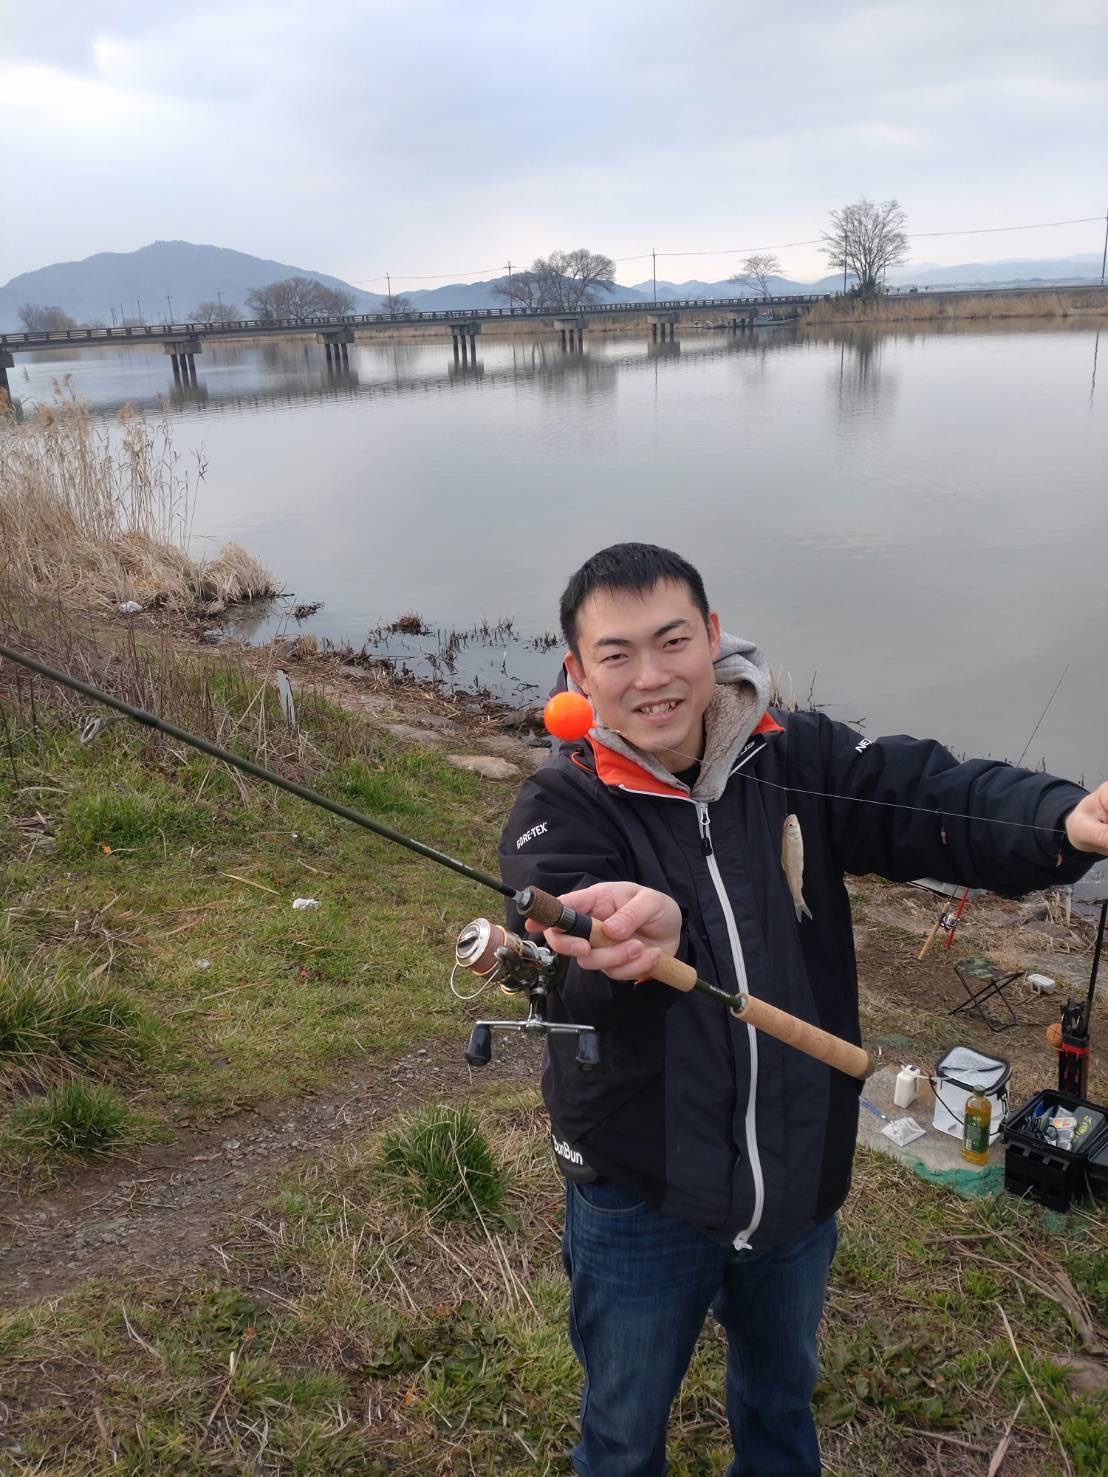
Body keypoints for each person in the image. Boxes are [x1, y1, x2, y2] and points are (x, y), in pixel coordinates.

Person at [497, 542, 1107, 1477]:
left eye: (672, 642)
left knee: (781, 1409)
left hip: (796, 1177)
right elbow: (561, 970)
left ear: (713, 637)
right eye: (616, 656)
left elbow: (926, 794)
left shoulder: (799, 752)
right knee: (620, 1437)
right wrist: (630, 949)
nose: (652, 678)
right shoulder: (560, 804)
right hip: (641, 1192)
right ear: (579, 675)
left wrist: (1061, 822)